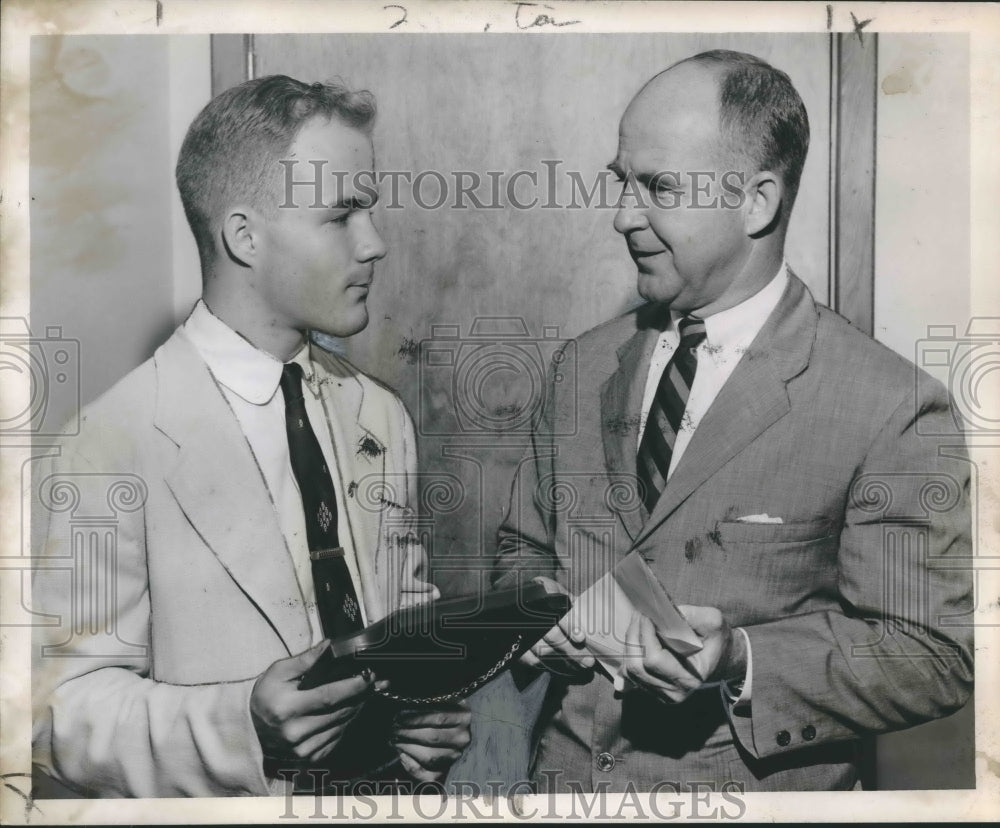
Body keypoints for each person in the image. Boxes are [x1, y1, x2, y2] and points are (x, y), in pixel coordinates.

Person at [493, 50, 973, 792]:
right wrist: (541, 617)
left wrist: (739, 660)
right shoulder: (580, 367)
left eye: (657, 187)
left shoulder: (891, 405)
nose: (622, 217)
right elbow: (521, 550)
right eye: (622, 182)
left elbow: (931, 654)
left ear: (757, 201)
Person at [31, 75, 470, 798]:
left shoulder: (378, 416)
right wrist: (240, 726)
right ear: (244, 236)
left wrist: (426, 711)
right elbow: (57, 712)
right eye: (341, 217)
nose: (376, 243)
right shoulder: (112, 439)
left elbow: (403, 615)